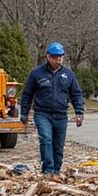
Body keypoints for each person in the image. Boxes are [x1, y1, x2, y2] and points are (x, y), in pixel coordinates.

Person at [19, 42, 84, 175]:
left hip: (61, 115)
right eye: (54, 57)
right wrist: (24, 114)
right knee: (46, 139)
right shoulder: (37, 73)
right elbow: (27, 94)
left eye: (60, 56)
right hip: (43, 114)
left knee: (58, 146)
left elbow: (76, 94)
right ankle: (48, 170)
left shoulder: (68, 74)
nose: (58, 59)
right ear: (47, 57)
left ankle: (56, 170)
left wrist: (79, 112)